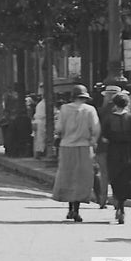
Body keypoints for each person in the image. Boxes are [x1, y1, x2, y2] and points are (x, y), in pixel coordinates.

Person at [51, 85, 100, 222]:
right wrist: (92, 140)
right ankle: (76, 210)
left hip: (66, 147)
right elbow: (96, 129)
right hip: (84, 147)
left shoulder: (64, 109)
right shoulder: (90, 110)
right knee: (81, 178)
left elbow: (59, 128)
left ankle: (70, 208)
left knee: (68, 177)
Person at [102, 91, 131, 224]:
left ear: (114, 104)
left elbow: (104, 138)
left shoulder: (108, 118)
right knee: (128, 177)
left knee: (115, 177)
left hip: (114, 150)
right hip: (129, 150)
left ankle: (118, 204)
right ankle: (122, 205)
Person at [93, 80, 124, 209]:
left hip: (102, 146)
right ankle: (117, 200)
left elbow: (96, 128)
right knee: (117, 174)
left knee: (104, 174)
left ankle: (103, 199)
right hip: (117, 146)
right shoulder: (121, 112)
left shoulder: (100, 110)